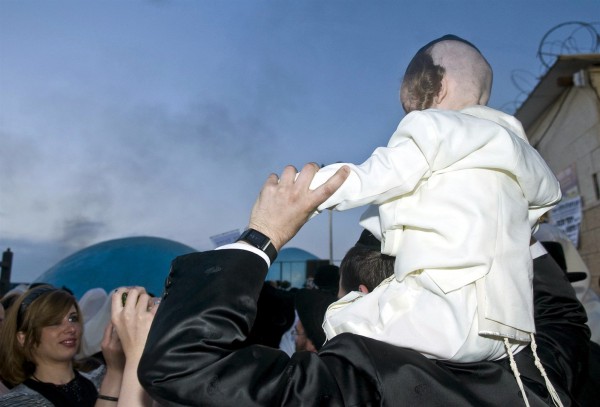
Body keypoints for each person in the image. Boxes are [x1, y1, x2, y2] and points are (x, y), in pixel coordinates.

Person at [138, 162, 589, 406]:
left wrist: (263, 235)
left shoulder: (360, 381)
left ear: (361, 298)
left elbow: (181, 365)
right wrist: (505, 218)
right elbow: (563, 314)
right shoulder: (533, 364)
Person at [308, 35, 562, 364]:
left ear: (436, 86)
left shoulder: (432, 127)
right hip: (509, 329)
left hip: (441, 309)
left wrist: (313, 190)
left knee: (341, 321)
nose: (409, 115)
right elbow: (541, 203)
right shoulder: (518, 152)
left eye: (410, 105)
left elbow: (381, 174)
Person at [0, 284, 126, 406]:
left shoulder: (101, 379)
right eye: (54, 322)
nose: (71, 328)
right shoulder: (16, 401)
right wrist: (115, 375)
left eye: (73, 318)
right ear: (24, 338)